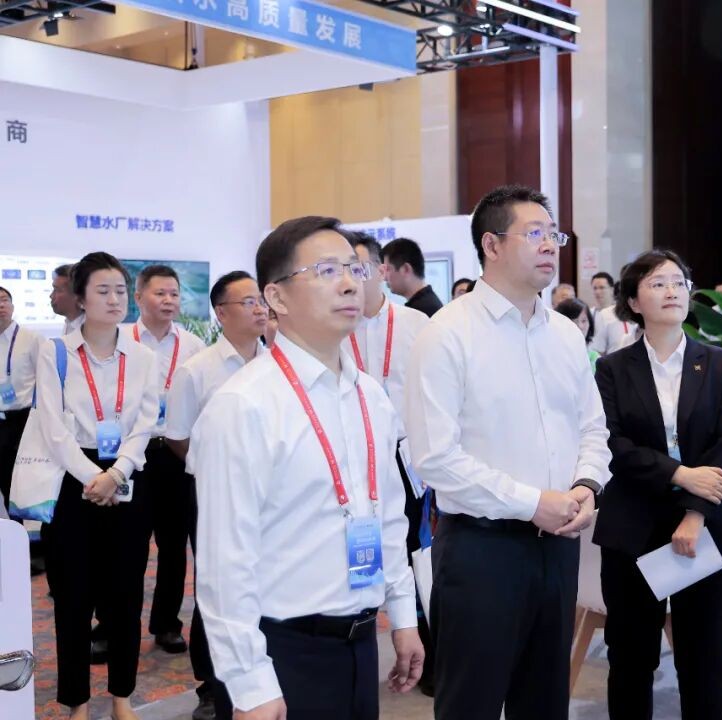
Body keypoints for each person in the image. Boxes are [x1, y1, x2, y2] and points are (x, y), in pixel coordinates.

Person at [192, 216, 423, 720]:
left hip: (362, 642)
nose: (350, 283)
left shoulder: (370, 396)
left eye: (354, 269)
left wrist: (404, 616)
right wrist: (250, 683)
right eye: (326, 270)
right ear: (276, 297)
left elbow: (387, 518)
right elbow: (224, 563)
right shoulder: (243, 405)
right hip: (283, 652)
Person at [405, 184, 611, 720]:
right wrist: (531, 502)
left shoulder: (565, 334)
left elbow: (592, 428)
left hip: (559, 546)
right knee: (471, 702)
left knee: (545, 701)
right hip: (482, 550)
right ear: (491, 245)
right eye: (534, 233)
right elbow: (435, 457)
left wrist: (587, 485)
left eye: (554, 235)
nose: (549, 245)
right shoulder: (447, 333)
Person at [593, 250, 722, 720]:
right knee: (631, 658)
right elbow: (613, 443)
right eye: (658, 283)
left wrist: (695, 512)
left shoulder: (720, 364)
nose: (672, 291)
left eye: (679, 282)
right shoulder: (611, 369)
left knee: (706, 661)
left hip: (708, 526)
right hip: (634, 525)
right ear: (633, 301)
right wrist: (679, 474)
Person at [36, 252, 160, 720]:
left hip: (127, 480)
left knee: (125, 596)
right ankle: (78, 703)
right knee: (72, 599)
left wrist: (117, 473)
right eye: (103, 291)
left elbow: (145, 423)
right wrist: (94, 478)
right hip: (73, 483)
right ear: (81, 298)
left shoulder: (143, 357)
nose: (114, 299)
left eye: (121, 291)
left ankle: (122, 697)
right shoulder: (56, 352)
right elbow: (53, 428)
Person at [165, 270, 269, 720]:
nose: (260, 309)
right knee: (217, 581)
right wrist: (214, 466)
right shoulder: (197, 369)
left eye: (262, 300)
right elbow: (177, 435)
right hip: (213, 492)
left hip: (270, 492)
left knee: (263, 578)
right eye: (248, 302)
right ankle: (210, 683)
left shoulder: (277, 363)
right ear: (221, 313)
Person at [340, 229, 437, 695]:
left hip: (406, 459)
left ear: (381, 270)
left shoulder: (417, 324)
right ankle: (353, 651)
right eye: (342, 270)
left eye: (359, 268)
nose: (351, 280)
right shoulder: (333, 328)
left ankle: (429, 653)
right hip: (350, 459)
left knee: (415, 554)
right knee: (357, 552)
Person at [128, 265, 207, 655]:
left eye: (174, 293)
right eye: (160, 293)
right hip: (131, 455)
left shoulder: (193, 346)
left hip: (175, 453)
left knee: (174, 546)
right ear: (139, 297)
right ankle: (113, 625)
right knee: (127, 545)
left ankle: (166, 624)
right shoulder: (122, 341)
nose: (169, 300)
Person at [0, 286, 42, 513]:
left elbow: (46, 379)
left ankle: (18, 530)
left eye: (4, 300)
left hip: (20, 421)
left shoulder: (31, 339)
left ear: (13, 305)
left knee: (14, 485)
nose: (1, 305)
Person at [383, 237, 444, 317]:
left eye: (388, 269)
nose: (384, 278)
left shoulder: (421, 311)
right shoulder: (426, 303)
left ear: (405, 269)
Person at [592, 266, 637, 355]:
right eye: (595, 288)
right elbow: (599, 351)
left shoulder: (648, 312)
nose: (598, 292)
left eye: (602, 287)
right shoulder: (606, 314)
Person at [554, 297, 599, 372]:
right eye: (573, 321)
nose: (580, 326)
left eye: (584, 321)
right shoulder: (553, 356)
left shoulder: (594, 358)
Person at [52, 264, 85, 335]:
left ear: (77, 295)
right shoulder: (70, 323)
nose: (51, 296)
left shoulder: (89, 332)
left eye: (57, 290)